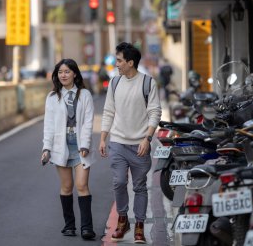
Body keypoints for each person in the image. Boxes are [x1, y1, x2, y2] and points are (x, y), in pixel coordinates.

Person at [99, 42, 162, 244]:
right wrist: (103, 138)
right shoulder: (115, 83)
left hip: (140, 144)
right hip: (117, 141)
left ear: (130, 62)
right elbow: (108, 111)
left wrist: (148, 138)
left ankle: (140, 226)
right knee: (118, 182)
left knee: (140, 186)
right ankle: (123, 220)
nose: (116, 64)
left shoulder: (147, 83)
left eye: (119, 60)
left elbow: (155, 112)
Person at [41, 59, 96, 240]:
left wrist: (85, 145)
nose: (63, 75)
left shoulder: (85, 95)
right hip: (60, 145)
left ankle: (87, 227)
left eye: (67, 71)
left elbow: (88, 122)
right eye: (60, 72)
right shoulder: (52, 97)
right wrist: (46, 148)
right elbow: (48, 125)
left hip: (80, 144)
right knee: (66, 186)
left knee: (82, 185)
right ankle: (69, 225)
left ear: (75, 74)